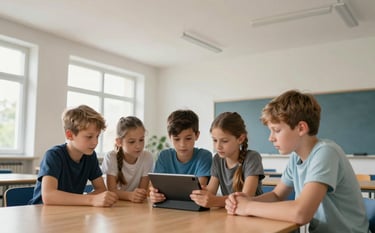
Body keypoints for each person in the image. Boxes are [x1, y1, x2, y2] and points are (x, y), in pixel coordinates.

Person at [225, 90, 369, 233]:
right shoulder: (296, 157)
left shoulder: (326, 152)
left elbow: (301, 213)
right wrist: (246, 201)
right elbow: (277, 195)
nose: (271, 138)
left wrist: (248, 207)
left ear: (301, 128)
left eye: (276, 130)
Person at [29, 105, 118, 206]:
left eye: (97, 136)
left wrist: (89, 199)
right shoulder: (54, 155)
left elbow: (101, 189)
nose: (95, 142)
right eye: (89, 137)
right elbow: (49, 196)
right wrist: (91, 200)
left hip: (70, 212)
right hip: (42, 213)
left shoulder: (90, 156)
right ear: (69, 135)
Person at [190, 112, 264, 208]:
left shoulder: (252, 158)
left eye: (224, 141)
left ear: (240, 139)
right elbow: (211, 191)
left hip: (254, 213)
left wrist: (215, 201)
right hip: (232, 213)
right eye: (215, 140)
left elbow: (246, 197)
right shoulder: (217, 159)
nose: (218, 146)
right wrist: (203, 194)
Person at [149, 109, 212, 204]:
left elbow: (199, 191)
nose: (182, 144)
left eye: (188, 138)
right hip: (166, 208)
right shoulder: (164, 156)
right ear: (170, 137)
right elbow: (155, 188)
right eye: (177, 139)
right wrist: (154, 194)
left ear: (197, 135)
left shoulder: (204, 156)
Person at [101, 116, 153, 203]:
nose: (138, 146)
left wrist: (137, 196)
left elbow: (142, 191)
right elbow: (111, 190)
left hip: (133, 204)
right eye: (132, 141)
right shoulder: (111, 157)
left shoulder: (147, 157)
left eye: (141, 140)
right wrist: (130, 196)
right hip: (112, 204)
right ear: (119, 142)